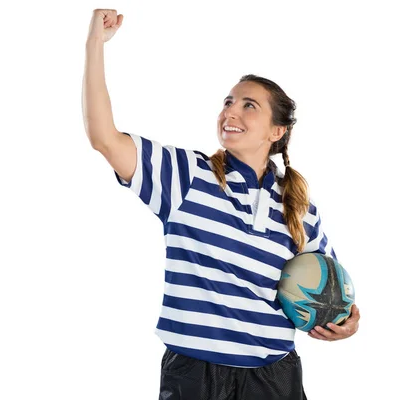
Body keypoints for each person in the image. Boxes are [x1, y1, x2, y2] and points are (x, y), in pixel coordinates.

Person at [82, 9, 360, 400]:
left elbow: (334, 290)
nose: (230, 110)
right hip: (195, 373)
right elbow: (104, 138)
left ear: (277, 131)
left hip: (274, 376)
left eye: (249, 105)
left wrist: (349, 322)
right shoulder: (185, 176)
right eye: (229, 102)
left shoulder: (300, 208)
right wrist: (94, 44)